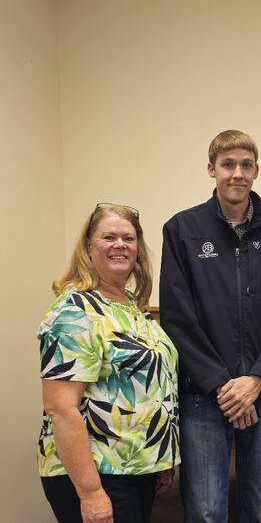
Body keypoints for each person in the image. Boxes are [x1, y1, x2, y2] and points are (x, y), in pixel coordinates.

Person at [159, 130, 261, 522]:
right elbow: (177, 316)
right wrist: (224, 385)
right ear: (212, 170)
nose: (237, 173)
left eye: (246, 165)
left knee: (257, 508)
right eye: (228, 165)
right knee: (206, 511)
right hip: (205, 396)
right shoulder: (182, 230)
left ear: (257, 171)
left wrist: (256, 380)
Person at [38, 203, 179, 523]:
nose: (120, 245)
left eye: (128, 239)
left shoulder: (131, 307)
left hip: (133, 469)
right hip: (96, 474)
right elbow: (61, 408)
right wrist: (90, 493)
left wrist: (159, 457)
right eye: (109, 237)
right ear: (88, 247)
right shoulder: (75, 311)